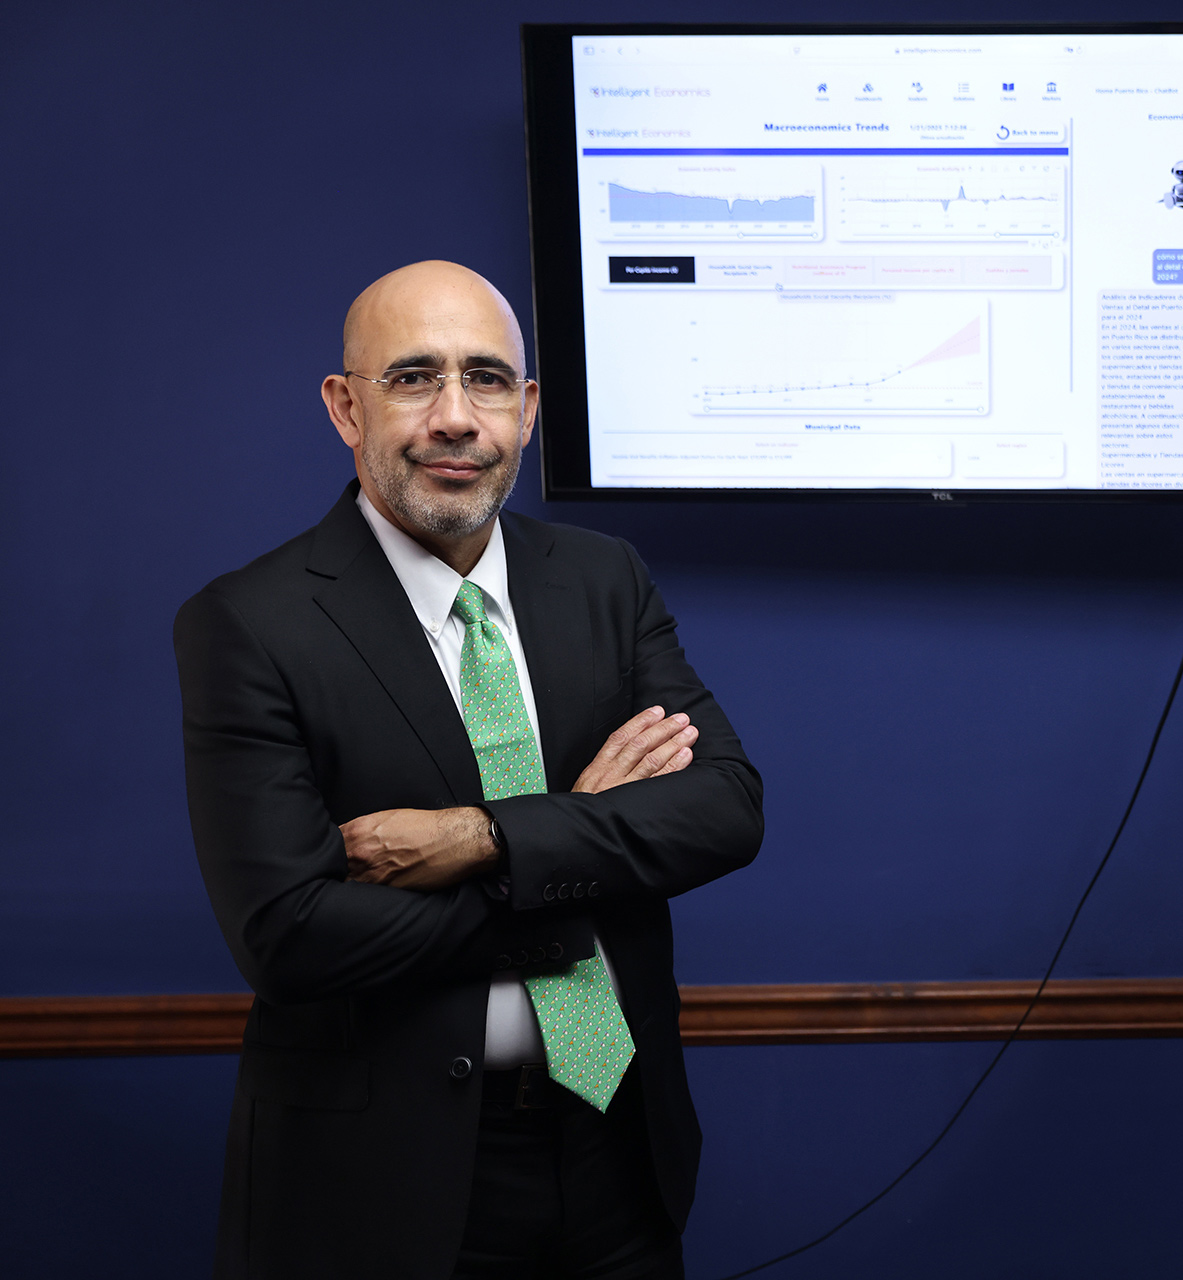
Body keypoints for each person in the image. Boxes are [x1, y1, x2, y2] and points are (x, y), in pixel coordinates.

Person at [174, 260, 764, 1280]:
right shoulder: (249, 623)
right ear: (345, 406)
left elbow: (725, 808)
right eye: (413, 378)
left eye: (485, 378)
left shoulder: (604, 579)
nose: (455, 416)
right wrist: (576, 846)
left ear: (526, 409)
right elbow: (292, 938)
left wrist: (487, 837)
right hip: (388, 1187)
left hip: (620, 1156)